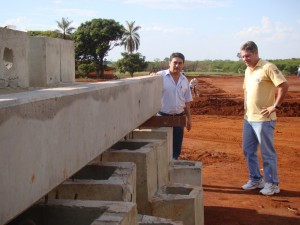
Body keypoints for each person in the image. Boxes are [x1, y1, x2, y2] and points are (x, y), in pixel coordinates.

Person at [240, 41, 289, 195]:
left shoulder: (267, 67)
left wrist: (276, 106)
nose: (245, 59)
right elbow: (246, 91)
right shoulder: (248, 70)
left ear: (255, 53)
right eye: (243, 56)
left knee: (267, 153)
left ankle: (273, 184)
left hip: (264, 119)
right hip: (249, 118)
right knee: (248, 150)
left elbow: (283, 85)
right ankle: (256, 179)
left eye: (247, 56)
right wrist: (245, 107)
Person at [156, 52, 193, 160]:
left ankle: (173, 164)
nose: (177, 65)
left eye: (180, 63)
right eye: (175, 62)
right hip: (162, 118)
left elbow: (187, 101)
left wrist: (189, 119)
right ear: (169, 63)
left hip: (179, 119)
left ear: (183, 65)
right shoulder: (160, 76)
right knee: (161, 147)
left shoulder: (184, 80)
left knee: (176, 149)